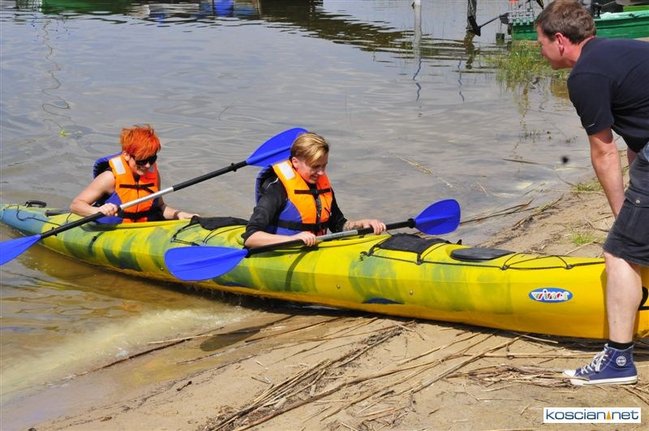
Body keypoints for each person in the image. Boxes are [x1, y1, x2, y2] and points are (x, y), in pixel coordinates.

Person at [536, 0, 649, 386]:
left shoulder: (585, 75)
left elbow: (604, 152)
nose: (539, 50)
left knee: (620, 251)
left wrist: (623, 216)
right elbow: (637, 137)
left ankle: (618, 361)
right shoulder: (623, 50)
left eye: (541, 43)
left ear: (560, 40)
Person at [243, 132, 386, 248]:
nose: (321, 172)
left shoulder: (322, 186)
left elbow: (338, 226)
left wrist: (362, 224)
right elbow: (251, 237)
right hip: (281, 251)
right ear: (295, 162)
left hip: (314, 251)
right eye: (315, 166)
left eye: (324, 165)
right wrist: (293, 239)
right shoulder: (277, 188)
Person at [70, 124, 196, 223]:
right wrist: (98, 210)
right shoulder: (109, 178)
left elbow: (160, 207)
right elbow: (76, 205)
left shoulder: (153, 174)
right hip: (112, 229)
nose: (147, 165)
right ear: (126, 155)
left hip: (141, 229)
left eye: (152, 159)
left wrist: (179, 214)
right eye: (141, 160)